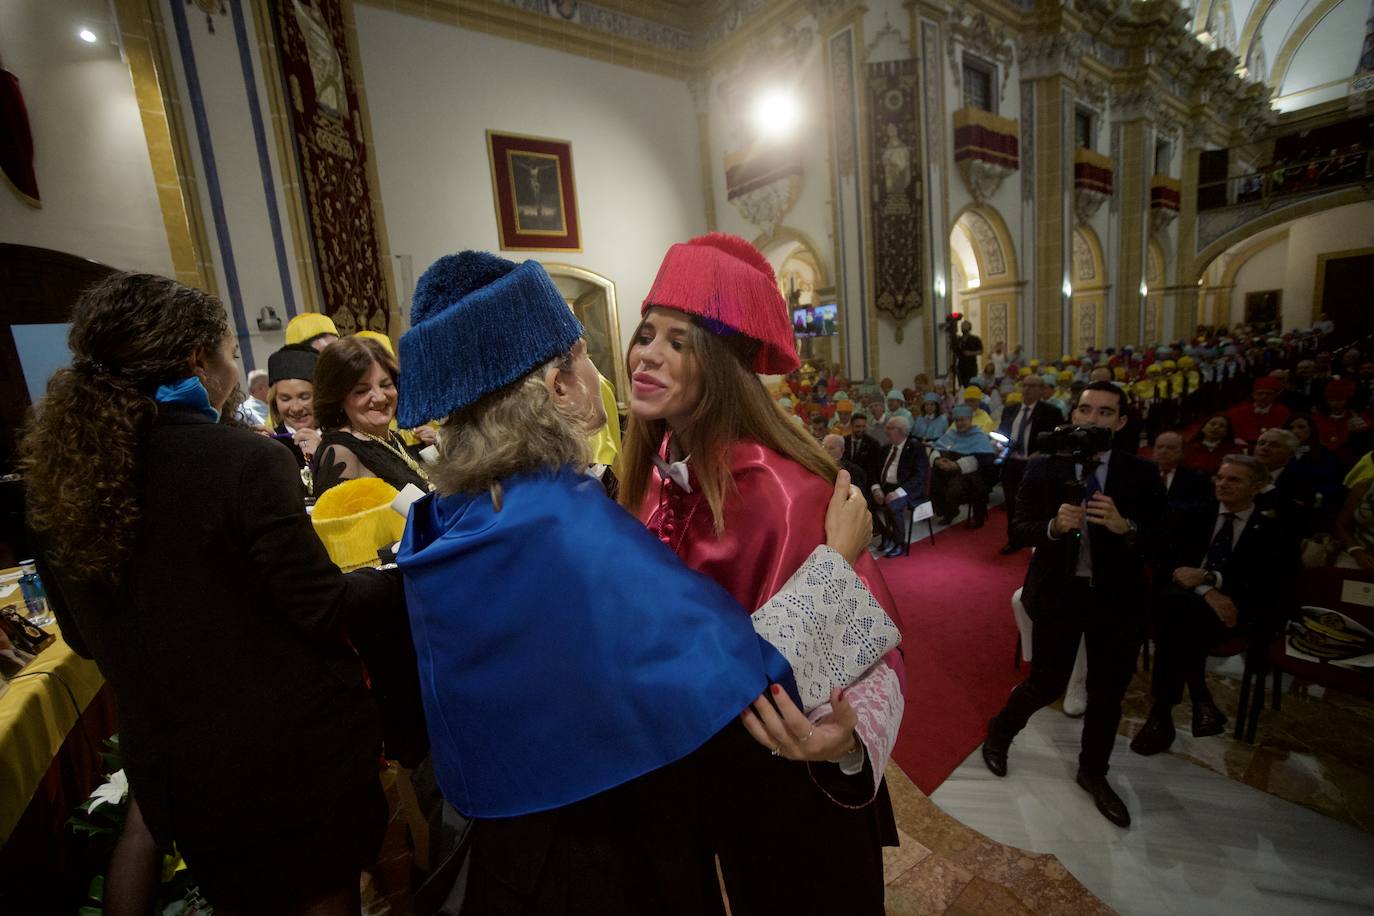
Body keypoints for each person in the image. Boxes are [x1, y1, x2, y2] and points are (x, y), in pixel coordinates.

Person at [393, 251, 892, 913]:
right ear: (558, 388)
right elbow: (750, 672)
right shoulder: (571, 525)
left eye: (677, 339)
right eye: (586, 353)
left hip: (512, 841)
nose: (624, 363)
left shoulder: (449, 514)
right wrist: (838, 564)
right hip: (598, 855)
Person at [19, 273, 404, 913]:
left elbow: (84, 640)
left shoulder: (63, 482)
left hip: (183, 765)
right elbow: (321, 605)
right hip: (287, 758)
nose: (232, 364)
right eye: (229, 351)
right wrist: (394, 577)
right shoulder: (241, 460)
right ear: (200, 360)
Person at [620, 233, 905, 915]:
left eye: (678, 340)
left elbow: (868, 655)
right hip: (708, 784)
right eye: (646, 332)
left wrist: (845, 740)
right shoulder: (655, 475)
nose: (647, 353)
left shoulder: (782, 489)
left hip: (793, 790)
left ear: (719, 363)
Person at [980, 382, 1165, 828]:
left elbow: (1164, 540)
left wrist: (1128, 527)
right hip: (1060, 593)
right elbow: (1018, 530)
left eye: (1104, 412)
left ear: (1120, 423)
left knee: (1106, 693)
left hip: (1116, 598)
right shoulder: (1045, 467)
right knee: (1045, 682)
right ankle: (999, 735)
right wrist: (1053, 526)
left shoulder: (1139, 474)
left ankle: (1093, 772)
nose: (1091, 419)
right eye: (1084, 410)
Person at [1131, 455, 1292, 755]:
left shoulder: (1274, 527)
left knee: (1174, 619)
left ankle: (1163, 713)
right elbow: (1169, 564)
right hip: (1188, 605)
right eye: (1220, 477)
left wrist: (1209, 578)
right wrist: (1208, 590)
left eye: (1234, 480)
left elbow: (1269, 581)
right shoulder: (1195, 514)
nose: (1223, 484)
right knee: (1180, 609)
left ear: (1257, 487)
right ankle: (1195, 698)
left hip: (1235, 613)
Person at [309, 336, 432, 498]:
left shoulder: (391, 439)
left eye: (386, 385)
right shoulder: (342, 452)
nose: (380, 397)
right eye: (362, 391)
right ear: (337, 398)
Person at [997, 374, 1064, 554]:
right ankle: (1014, 539)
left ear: (1041, 389)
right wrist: (1000, 445)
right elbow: (1002, 433)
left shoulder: (1051, 412)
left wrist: (1043, 452)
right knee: (1012, 503)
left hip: (1036, 464)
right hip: (1013, 463)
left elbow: (1059, 441)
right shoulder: (1010, 410)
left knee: (1037, 502)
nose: (1027, 389)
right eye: (1025, 385)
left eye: (1033, 386)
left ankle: (1038, 538)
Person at [870, 414, 932, 556]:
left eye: (890, 428)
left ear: (902, 431)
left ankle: (899, 543)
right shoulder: (886, 448)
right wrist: (876, 489)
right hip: (887, 486)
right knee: (866, 501)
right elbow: (873, 470)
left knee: (893, 505)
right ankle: (887, 535)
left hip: (909, 488)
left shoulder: (916, 447)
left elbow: (919, 476)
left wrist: (898, 492)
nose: (886, 431)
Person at [929, 405, 995, 527]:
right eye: (957, 420)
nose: (959, 423)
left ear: (970, 420)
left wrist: (957, 465)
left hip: (972, 475)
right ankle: (949, 512)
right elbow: (937, 448)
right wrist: (937, 460)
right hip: (949, 469)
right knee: (933, 479)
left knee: (956, 486)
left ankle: (976, 518)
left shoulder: (979, 436)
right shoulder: (951, 433)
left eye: (962, 420)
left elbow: (983, 460)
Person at [267, 342, 322, 469]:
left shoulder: (341, 439)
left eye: (304, 397)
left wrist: (324, 455)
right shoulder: (271, 444)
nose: (296, 408)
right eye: (285, 399)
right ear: (275, 401)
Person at [1153, 431, 1211, 512]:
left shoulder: (1196, 478)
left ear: (1182, 452)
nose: (1163, 451)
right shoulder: (1141, 474)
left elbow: (1200, 507)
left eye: (1170, 448)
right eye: (1159, 447)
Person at [1228, 376, 1290, 445]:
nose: (1264, 396)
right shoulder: (1237, 411)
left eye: (1269, 394)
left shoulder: (1283, 412)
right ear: (1253, 395)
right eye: (1260, 393)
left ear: (1275, 396)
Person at [1182, 414, 1244, 478]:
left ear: (1226, 433)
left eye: (1221, 426)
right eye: (1212, 424)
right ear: (1203, 428)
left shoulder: (1233, 452)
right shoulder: (1188, 447)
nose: (1216, 427)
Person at [844, 412, 884, 482]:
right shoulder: (843, 441)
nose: (861, 429)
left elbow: (875, 468)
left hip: (865, 483)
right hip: (845, 480)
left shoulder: (873, 444)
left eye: (863, 426)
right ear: (851, 426)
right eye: (858, 426)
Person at [957, 318, 983, 386]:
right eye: (962, 326)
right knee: (962, 385)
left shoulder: (975, 339)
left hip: (971, 366)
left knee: (972, 384)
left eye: (965, 325)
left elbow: (981, 351)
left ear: (969, 328)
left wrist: (970, 353)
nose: (963, 327)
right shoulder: (959, 340)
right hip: (961, 366)